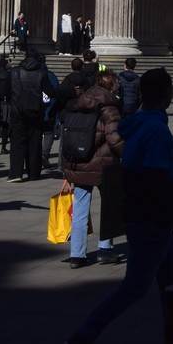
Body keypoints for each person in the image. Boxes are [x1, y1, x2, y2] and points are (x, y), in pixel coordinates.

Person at [65, 68, 173, 344]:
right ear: (167, 94)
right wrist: (170, 209)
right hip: (153, 217)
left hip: (149, 216)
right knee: (135, 287)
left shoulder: (137, 124)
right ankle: (83, 336)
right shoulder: (156, 131)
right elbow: (155, 177)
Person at [62, 71, 124, 268]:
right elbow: (114, 138)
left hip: (80, 161)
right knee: (109, 207)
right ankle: (105, 249)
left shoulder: (79, 103)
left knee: (80, 208)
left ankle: (77, 254)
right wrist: (127, 153)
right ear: (112, 86)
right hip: (105, 164)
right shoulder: (110, 107)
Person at [8, 49, 57, 182]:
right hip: (36, 111)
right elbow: (50, 92)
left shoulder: (15, 72)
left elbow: (7, 90)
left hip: (17, 111)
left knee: (17, 143)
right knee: (35, 143)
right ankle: (34, 173)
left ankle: (16, 173)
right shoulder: (41, 73)